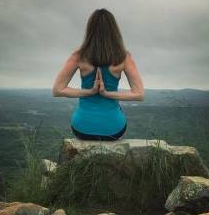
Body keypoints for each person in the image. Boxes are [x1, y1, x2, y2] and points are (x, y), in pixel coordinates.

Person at [52, 8, 144, 141]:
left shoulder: (78, 56)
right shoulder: (124, 57)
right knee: (117, 111)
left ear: (90, 30)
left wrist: (89, 91)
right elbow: (139, 94)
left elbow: (57, 90)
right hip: (114, 130)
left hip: (82, 128)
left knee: (82, 114)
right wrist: (108, 94)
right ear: (114, 31)